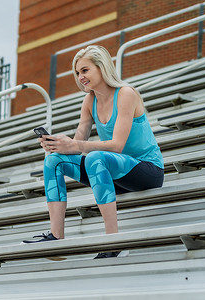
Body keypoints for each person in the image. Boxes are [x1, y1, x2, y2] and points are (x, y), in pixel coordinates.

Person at [23, 45, 164, 259]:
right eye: (78, 73)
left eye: (85, 70)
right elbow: (79, 141)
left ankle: (112, 240)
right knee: (54, 161)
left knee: (95, 157)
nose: (80, 77)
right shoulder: (89, 101)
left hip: (146, 171)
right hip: (114, 173)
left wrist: (74, 145)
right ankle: (56, 236)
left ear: (101, 67)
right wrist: (58, 145)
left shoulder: (126, 94)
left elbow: (116, 145)